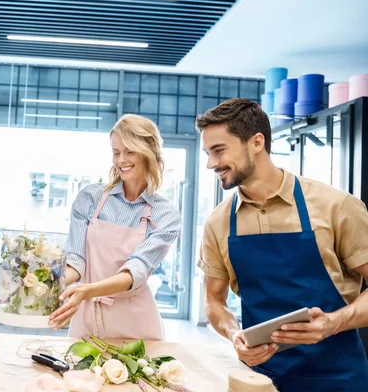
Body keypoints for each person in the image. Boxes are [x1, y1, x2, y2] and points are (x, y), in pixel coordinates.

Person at [196, 98, 368, 391]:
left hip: (338, 378)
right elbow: (214, 301)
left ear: (257, 142)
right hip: (260, 380)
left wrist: (332, 323)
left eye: (219, 150)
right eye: (208, 153)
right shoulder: (218, 222)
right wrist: (234, 333)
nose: (212, 163)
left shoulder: (336, 207)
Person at [48, 114, 182, 340]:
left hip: (135, 322)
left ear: (148, 153)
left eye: (130, 151)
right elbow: (76, 260)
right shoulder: (90, 198)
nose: (121, 160)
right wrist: (51, 284)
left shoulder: (165, 214)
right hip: (87, 316)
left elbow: (134, 271)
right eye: (116, 152)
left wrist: (86, 291)